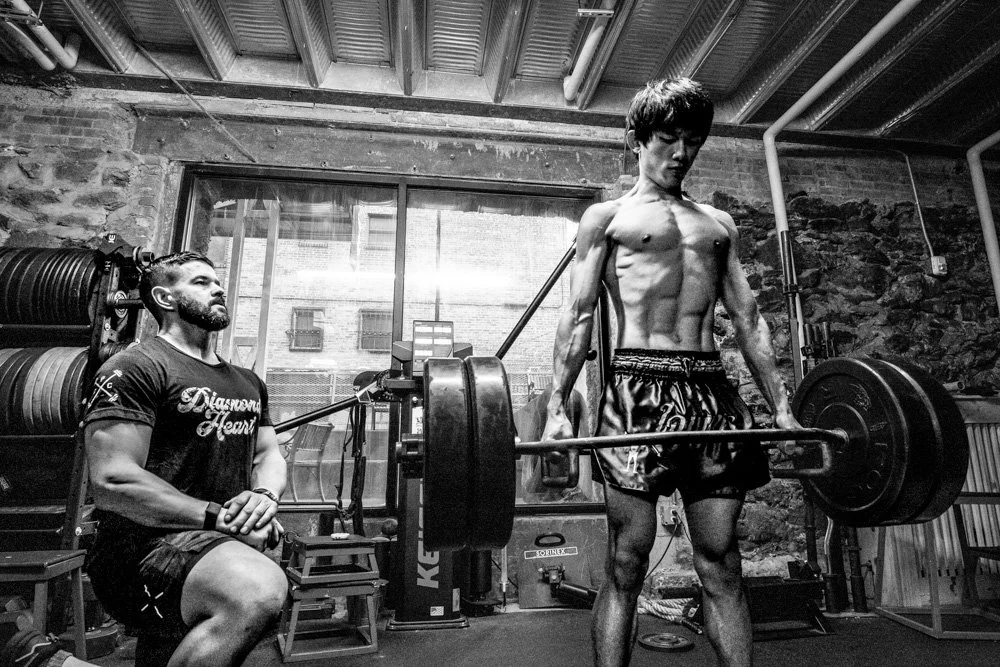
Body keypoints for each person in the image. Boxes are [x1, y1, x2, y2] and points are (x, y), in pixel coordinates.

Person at [541, 78, 801, 667]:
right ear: (637, 139)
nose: (681, 153)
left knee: (721, 559)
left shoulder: (718, 224)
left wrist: (780, 405)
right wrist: (557, 407)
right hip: (636, 389)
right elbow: (578, 316)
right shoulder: (606, 219)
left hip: (710, 391)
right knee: (627, 560)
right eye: (667, 138)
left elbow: (749, 317)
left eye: (693, 141)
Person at [83, 251, 288, 667]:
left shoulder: (247, 381)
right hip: (142, 546)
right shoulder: (136, 367)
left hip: (218, 543)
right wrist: (220, 516)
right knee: (257, 590)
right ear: (164, 296)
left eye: (217, 282)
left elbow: (269, 454)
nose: (218, 289)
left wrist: (264, 496)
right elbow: (113, 479)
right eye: (201, 282)